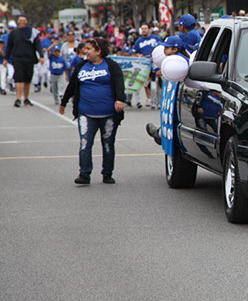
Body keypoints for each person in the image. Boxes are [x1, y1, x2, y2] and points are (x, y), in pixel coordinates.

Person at [59, 37, 125, 185]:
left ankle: (107, 173)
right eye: (85, 49)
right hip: (86, 113)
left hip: (108, 114)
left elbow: (119, 82)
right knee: (85, 143)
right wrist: (63, 102)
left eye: (88, 49)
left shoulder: (111, 66)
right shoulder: (82, 66)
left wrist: (120, 99)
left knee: (108, 144)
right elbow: (72, 85)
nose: (85, 51)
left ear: (98, 51)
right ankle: (84, 174)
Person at [3, 16, 44, 107]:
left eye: (24, 20)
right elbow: (9, 46)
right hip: (18, 59)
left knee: (27, 80)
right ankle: (18, 99)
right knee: (18, 79)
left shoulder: (32, 32)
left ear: (26, 21)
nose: (22, 22)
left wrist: (41, 56)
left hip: (29, 59)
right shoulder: (13, 33)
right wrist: (6, 58)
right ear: (18, 22)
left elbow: (38, 45)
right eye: (20, 20)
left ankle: (26, 98)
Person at [132, 23, 162, 108]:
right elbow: (135, 52)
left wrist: (154, 56)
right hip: (144, 65)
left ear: (149, 29)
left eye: (145, 28)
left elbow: (162, 49)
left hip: (155, 64)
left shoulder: (156, 39)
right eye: (142, 29)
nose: (143, 30)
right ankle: (149, 99)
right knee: (146, 83)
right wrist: (139, 55)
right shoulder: (139, 41)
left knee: (158, 84)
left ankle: (158, 102)